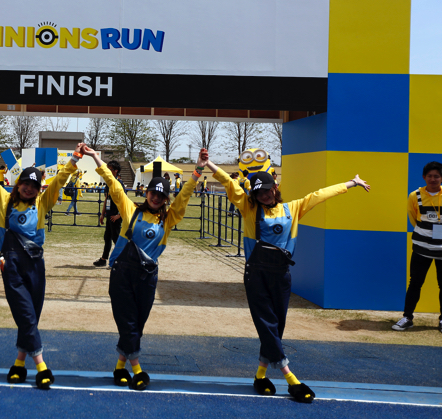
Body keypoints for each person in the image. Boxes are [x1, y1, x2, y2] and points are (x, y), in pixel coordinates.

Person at [204, 156, 370, 403]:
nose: (264, 196)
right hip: (256, 275)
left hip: (281, 275)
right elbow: (229, 183)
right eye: (259, 193)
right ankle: (291, 378)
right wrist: (208, 164)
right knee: (267, 324)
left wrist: (351, 183)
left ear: (275, 188)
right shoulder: (249, 208)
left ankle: (260, 376)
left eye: (267, 190)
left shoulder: (293, 208)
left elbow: (320, 195)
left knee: (276, 326)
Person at [82, 144, 203, 391]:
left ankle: (119, 368)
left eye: (161, 196)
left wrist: (198, 171)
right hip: (122, 274)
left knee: (137, 324)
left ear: (166, 199)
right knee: (128, 321)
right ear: (146, 193)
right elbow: (114, 185)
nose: (156, 198)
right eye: (152, 193)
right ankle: (137, 370)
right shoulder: (131, 211)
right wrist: (95, 157)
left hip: (147, 276)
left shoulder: (169, 219)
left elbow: (184, 195)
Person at [0, 139, 80, 389]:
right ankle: (42, 367)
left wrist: (74, 160)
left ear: (38, 189)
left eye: (34, 186)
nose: (29, 188)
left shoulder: (42, 203)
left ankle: (18, 364)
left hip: (36, 265)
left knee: (31, 316)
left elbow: (59, 181)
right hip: (12, 265)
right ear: (18, 183)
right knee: (25, 313)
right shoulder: (4, 200)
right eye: (25, 183)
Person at [393, 161, 442, 333]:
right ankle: (407, 318)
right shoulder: (415, 195)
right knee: (415, 283)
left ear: (441, 178)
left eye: (436, 176)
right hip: (421, 248)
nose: (433, 179)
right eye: (430, 176)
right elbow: (413, 217)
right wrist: (426, 233)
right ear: (424, 177)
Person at [94, 160, 123, 267]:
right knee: (107, 237)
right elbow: (106, 199)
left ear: (116, 171)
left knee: (116, 239)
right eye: (108, 169)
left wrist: (119, 215)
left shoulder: (119, 184)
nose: (108, 171)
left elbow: (124, 201)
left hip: (115, 216)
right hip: (109, 214)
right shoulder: (108, 183)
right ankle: (103, 259)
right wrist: (103, 214)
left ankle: (121, 260)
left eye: (110, 169)